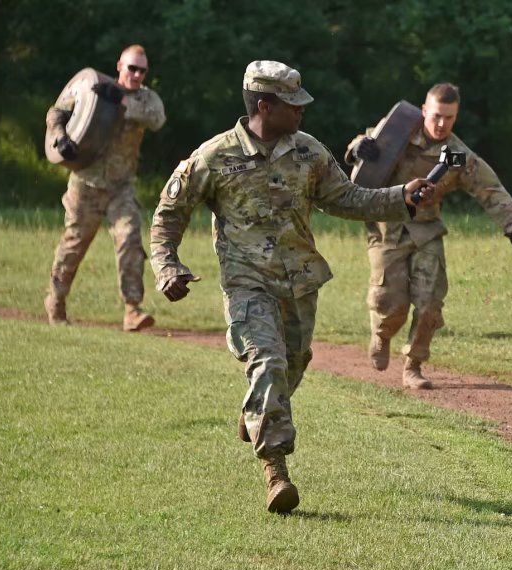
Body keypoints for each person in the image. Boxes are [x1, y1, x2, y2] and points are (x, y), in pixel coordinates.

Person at [149, 61, 434, 514]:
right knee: (268, 361)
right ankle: (275, 471)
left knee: (292, 365)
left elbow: (348, 199)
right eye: (292, 104)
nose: (302, 111)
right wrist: (167, 267)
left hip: (301, 283)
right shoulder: (214, 156)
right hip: (247, 285)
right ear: (265, 105)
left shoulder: (308, 152)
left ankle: (256, 413)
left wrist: (401, 197)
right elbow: (169, 214)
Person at [344, 83, 512, 390]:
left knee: (430, 302)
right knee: (389, 302)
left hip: (426, 230)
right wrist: (358, 148)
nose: (442, 123)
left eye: (450, 117)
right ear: (424, 111)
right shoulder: (401, 130)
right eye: (437, 116)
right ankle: (381, 334)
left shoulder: (455, 155)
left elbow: (489, 188)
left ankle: (413, 365)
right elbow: (365, 147)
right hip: (386, 228)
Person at [45, 44, 166, 331]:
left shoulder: (147, 99)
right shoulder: (94, 89)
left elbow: (157, 120)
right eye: (131, 68)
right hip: (86, 182)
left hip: (121, 186)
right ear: (119, 66)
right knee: (74, 245)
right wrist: (61, 137)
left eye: (142, 70)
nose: (137, 74)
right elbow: (56, 112)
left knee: (129, 240)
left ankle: (132, 310)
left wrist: (123, 103)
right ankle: (56, 302)